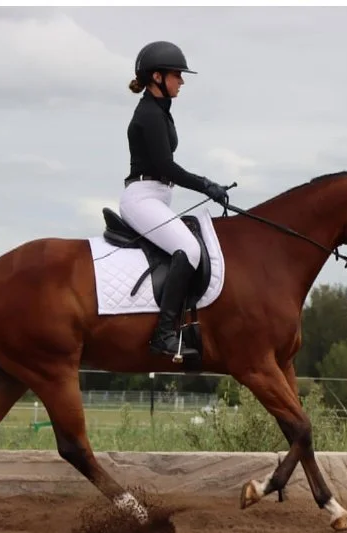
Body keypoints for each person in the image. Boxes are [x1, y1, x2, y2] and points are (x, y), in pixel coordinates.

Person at [119, 40, 231, 360]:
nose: (181, 81)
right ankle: (164, 334)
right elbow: (166, 167)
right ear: (157, 77)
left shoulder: (161, 112)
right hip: (141, 197)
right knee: (190, 250)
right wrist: (205, 184)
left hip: (156, 196)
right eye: (176, 75)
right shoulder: (149, 115)